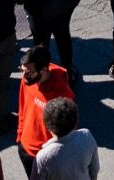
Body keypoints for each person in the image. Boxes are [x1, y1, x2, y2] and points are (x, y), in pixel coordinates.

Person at [16, 46, 75, 177]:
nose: (24, 76)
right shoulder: (27, 80)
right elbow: (22, 107)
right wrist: (20, 137)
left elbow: (70, 128)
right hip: (26, 150)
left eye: (29, 72)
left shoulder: (63, 94)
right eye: (22, 70)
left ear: (43, 70)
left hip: (49, 154)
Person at [33, 96, 99, 179]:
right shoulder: (86, 136)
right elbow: (95, 168)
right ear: (75, 123)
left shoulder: (43, 156)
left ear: (48, 127)